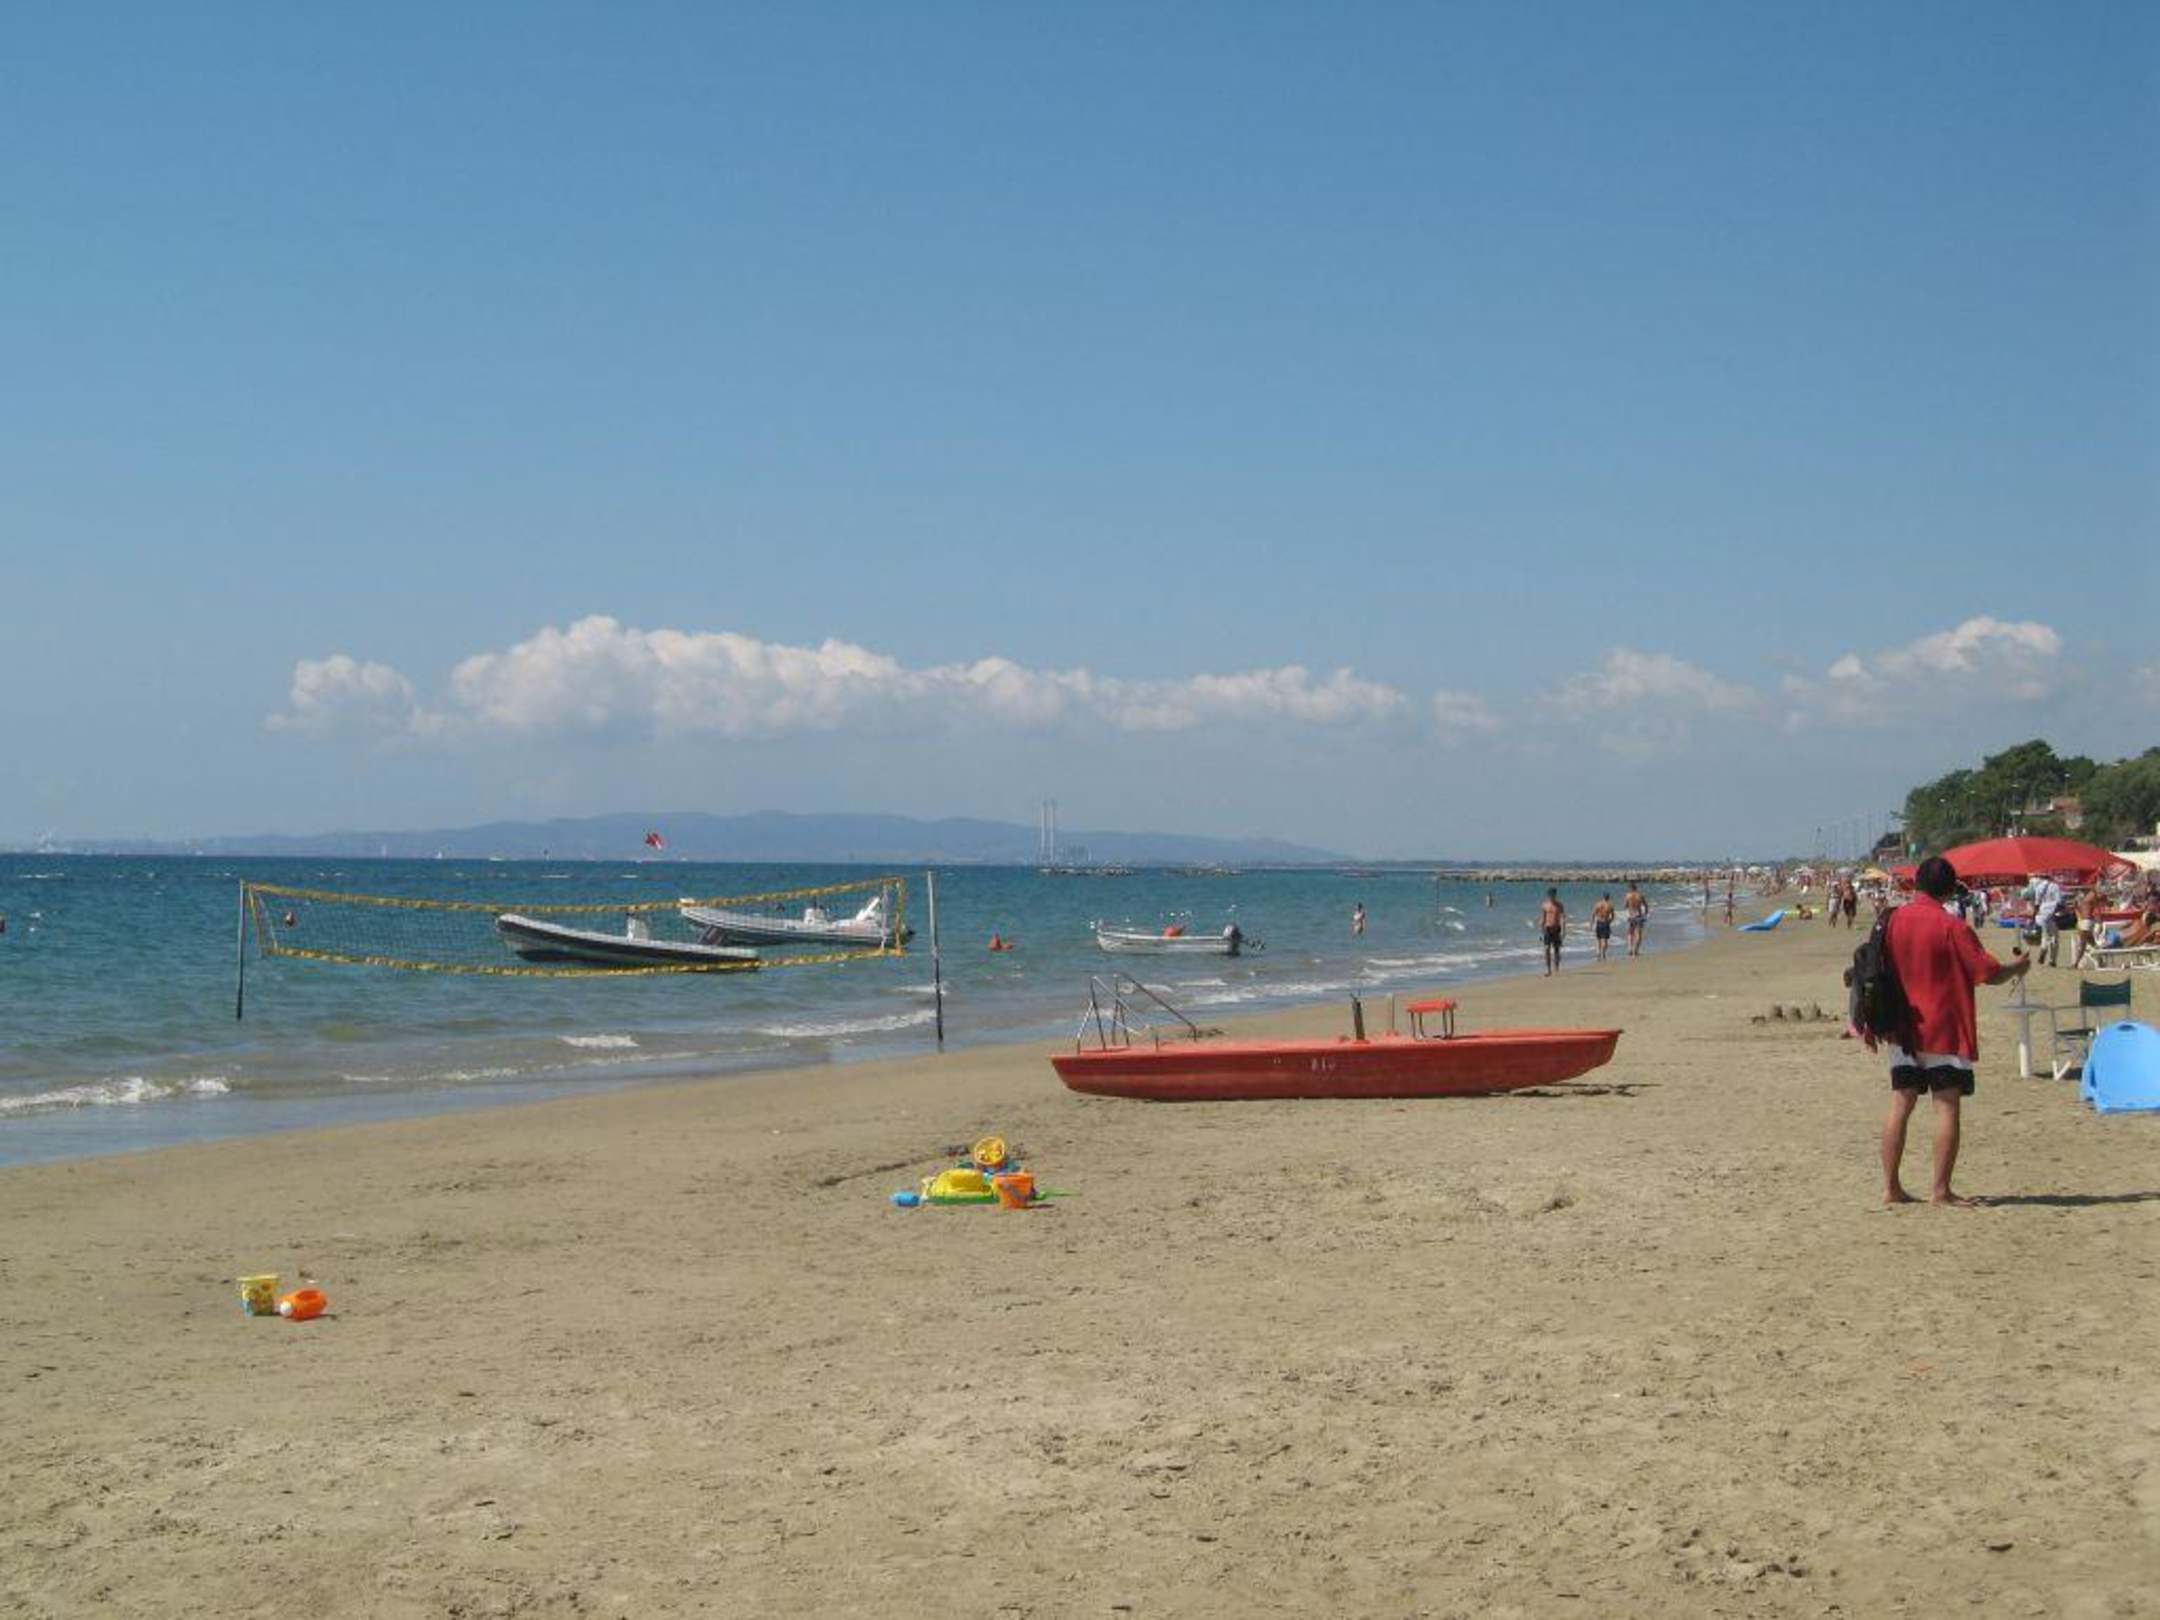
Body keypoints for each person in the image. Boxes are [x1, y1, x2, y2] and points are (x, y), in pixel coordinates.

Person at [1877, 856, 2031, 1208]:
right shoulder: (1951, 926)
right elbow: (1988, 973)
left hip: (1902, 1026)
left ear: (1917, 883)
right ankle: (1940, 1190)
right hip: (1943, 1026)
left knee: (1900, 1102)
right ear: (1949, 889)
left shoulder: (1893, 920)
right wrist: (2017, 968)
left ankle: (1890, 1188)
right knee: (1946, 1105)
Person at [2028, 873, 2065, 966]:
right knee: (2054, 937)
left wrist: (2033, 917)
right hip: (2051, 914)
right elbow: (2059, 901)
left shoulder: (2038, 887)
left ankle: (2044, 948)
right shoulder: (2055, 886)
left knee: (2045, 935)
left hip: (2041, 914)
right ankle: (2052, 960)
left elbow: (2036, 904)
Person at [1538, 888, 1566, 976]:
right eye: (1550, 895)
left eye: (1553, 895)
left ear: (1555, 895)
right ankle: (1548, 969)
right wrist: (1541, 931)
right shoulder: (1545, 905)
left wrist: (1563, 930)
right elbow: (1543, 918)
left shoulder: (1560, 905)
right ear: (1548, 895)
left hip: (1556, 929)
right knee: (1547, 949)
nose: (1551, 896)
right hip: (1547, 929)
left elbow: (1563, 918)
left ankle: (1556, 967)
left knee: (1557, 949)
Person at [1623, 881, 1648, 957]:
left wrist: (1628, 908)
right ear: (1636, 887)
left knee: (1630, 933)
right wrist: (1645, 913)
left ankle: (1630, 948)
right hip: (1639, 916)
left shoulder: (1628, 896)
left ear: (1630, 888)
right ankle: (1636, 950)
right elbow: (1646, 905)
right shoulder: (1640, 895)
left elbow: (1625, 906)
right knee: (1638, 934)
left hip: (1631, 916)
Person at [1590, 893, 1615, 960]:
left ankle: (1598, 952)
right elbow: (1613, 916)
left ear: (1603, 897)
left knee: (1598, 939)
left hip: (1599, 922)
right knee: (1605, 940)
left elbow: (1593, 914)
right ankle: (1603, 953)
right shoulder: (1610, 905)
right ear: (1608, 897)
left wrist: (1591, 924)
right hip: (1606, 923)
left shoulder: (1597, 904)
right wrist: (1609, 921)